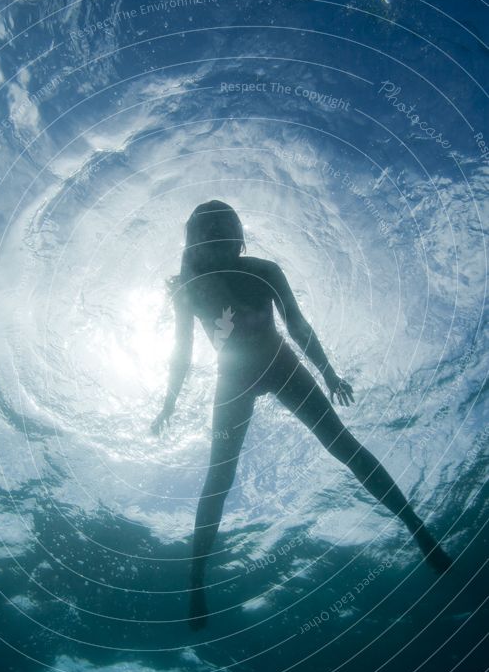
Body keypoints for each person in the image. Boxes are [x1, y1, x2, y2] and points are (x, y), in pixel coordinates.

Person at [151, 200, 452, 630]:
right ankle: (195, 583)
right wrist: (169, 403)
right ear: (194, 242)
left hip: (282, 364)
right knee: (219, 479)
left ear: (238, 238)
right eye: (206, 233)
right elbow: (180, 352)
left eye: (224, 232)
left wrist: (329, 373)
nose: (216, 241)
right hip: (233, 379)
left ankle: (417, 529)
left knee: (344, 445)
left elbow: (297, 325)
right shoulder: (189, 289)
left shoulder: (265, 271)